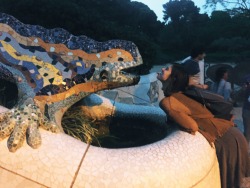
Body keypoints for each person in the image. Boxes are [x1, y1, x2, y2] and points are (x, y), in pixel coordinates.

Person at [157, 63, 249, 188]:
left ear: (173, 78)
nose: (162, 69)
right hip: (230, 133)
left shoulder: (168, 102)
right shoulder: (183, 94)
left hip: (225, 139)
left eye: (167, 69)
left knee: (228, 183)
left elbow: (192, 126)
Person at [242, 74, 250, 144]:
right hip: (247, 109)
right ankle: (246, 151)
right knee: (247, 131)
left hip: (246, 109)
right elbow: (243, 89)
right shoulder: (247, 78)